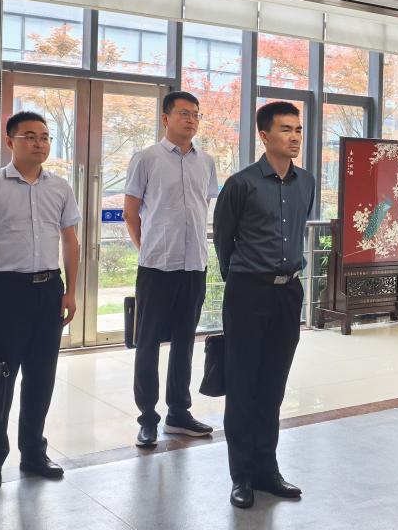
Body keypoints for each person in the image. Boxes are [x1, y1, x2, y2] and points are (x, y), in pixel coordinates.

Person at [0, 111, 81, 491]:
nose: (39, 143)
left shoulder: (60, 187)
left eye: (44, 137)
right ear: (10, 141)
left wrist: (71, 291)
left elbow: (70, 240)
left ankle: (33, 454)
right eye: (30, 136)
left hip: (49, 290)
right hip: (4, 293)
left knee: (41, 378)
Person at [213, 101, 315, 508]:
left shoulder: (306, 182)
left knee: (273, 386)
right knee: (242, 386)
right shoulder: (241, 184)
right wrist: (243, 279)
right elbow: (224, 241)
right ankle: (241, 475)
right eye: (285, 129)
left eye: (298, 129)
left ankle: (266, 470)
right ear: (264, 135)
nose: (294, 137)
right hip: (248, 292)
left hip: (288, 293)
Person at [123, 91, 219, 447]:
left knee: (184, 342)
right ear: (165, 118)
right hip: (156, 267)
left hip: (194, 265)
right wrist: (147, 248)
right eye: (183, 113)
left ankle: (178, 412)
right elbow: (130, 211)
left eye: (196, 114)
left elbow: (201, 205)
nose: (191, 119)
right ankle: (147, 418)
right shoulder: (146, 158)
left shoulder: (206, 161)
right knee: (148, 343)